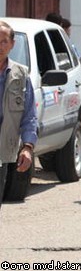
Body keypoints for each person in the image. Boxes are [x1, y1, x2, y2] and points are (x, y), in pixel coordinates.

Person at [0, 21, 37, 209]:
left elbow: (29, 115)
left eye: (4, 41)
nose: (0, 46)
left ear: (12, 44)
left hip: (3, 153)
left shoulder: (20, 75)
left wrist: (28, 147)